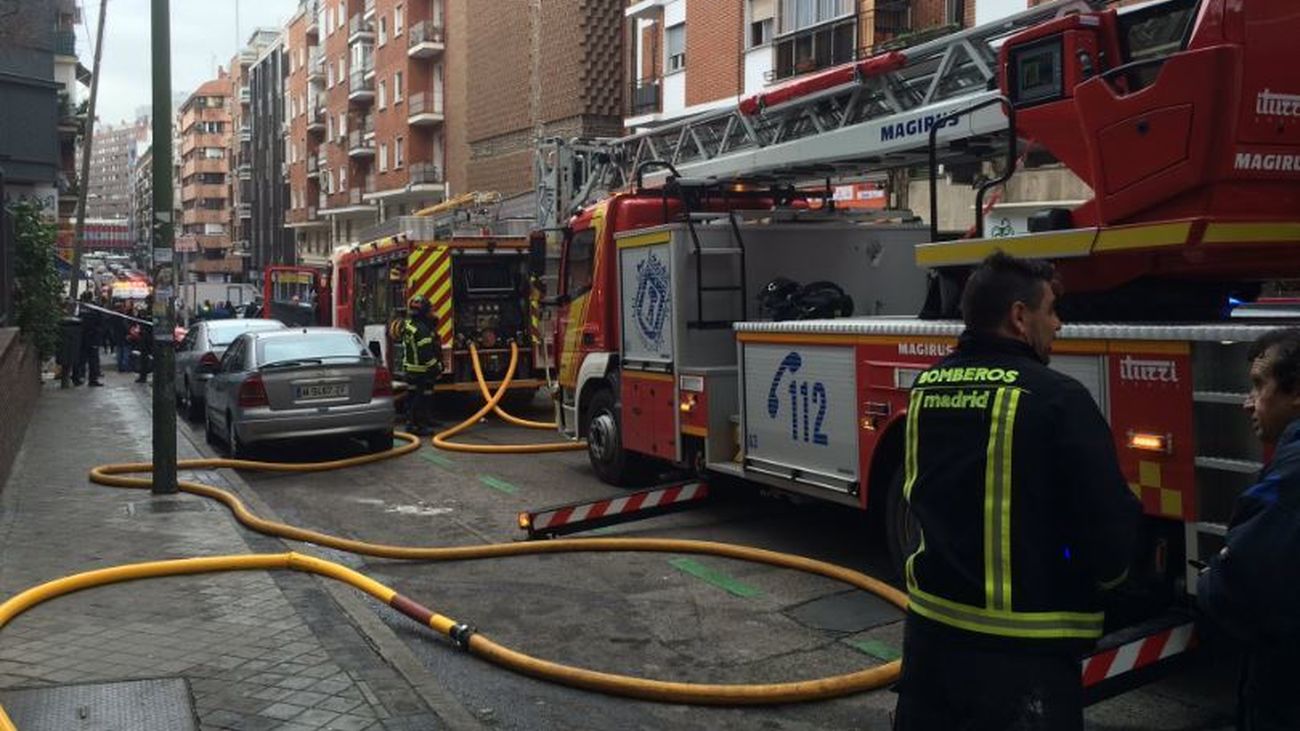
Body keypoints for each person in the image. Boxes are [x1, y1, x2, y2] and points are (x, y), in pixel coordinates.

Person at [893, 252, 1141, 731]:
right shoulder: (1057, 398)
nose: (1060, 324)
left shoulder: (925, 387)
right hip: (1025, 657)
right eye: (1051, 310)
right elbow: (1107, 525)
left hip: (930, 638)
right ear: (1019, 317)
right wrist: (1114, 583)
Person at [1198, 327, 1300, 731]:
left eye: (1259, 385)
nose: (1248, 403)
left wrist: (1210, 578)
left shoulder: (1292, 477)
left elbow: (1241, 584)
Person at [400, 295, 442, 435]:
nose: (432, 313)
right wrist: (435, 366)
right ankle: (418, 426)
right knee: (419, 398)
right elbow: (425, 353)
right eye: (430, 310)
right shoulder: (422, 329)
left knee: (415, 396)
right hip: (420, 369)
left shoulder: (409, 325)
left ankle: (416, 422)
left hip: (410, 367)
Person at [74, 291, 104, 387]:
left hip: (81, 337)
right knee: (93, 360)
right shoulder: (95, 308)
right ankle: (92, 380)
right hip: (92, 337)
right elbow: (100, 322)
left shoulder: (79, 307)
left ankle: (77, 378)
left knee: (80, 359)